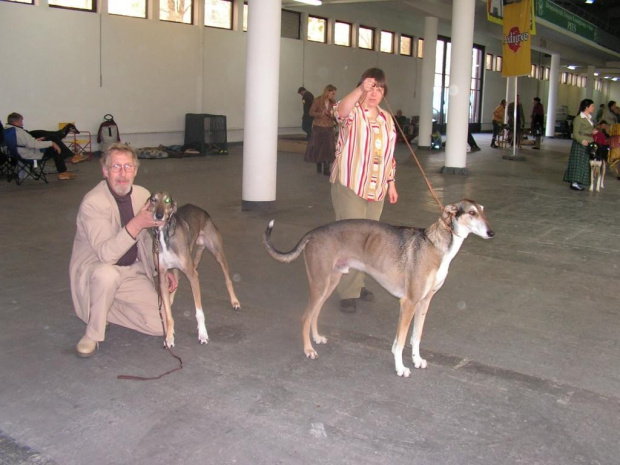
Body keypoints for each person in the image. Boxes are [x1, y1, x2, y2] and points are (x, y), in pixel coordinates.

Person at [69, 143, 177, 357]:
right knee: (107, 275)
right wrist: (137, 222)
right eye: (116, 167)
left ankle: (101, 308)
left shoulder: (143, 195)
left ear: (135, 171)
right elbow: (107, 255)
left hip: (132, 271)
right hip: (98, 270)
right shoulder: (93, 203)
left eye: (128, 167)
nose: (122, 173)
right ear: (105, 171)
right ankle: (93, 332)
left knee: (162, 326)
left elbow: (148, 240)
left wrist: (162, 268)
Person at [330, 68, 398, 313]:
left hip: (376, 188)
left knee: (369, 241)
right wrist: (360, 90)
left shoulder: (387, 119)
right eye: (371, 87)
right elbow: (338, 111)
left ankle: (357, 284)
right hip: (351, 184)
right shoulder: (353, 113)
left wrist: (391, 182)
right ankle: (347, 292)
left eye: (379, 89)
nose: (374, 93)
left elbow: (389, 155)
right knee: (350, 239)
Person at [4, 112, 77, 180]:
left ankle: (68, 162)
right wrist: (51, 143)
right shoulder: (18, 132)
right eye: (21, 121)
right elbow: (33, 145)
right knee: (55, 147)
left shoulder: (8, 130)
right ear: (15, 122)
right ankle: (66, 167)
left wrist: (37, 140)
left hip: (20, 153)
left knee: (52, 137)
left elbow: (26, 143)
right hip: (29, 154)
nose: (22, 123)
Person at [563, 99, 596, 191]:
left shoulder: (589, 118)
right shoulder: (578, 118)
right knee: (578, 162)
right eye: (592, 106)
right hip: (580, 144)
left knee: (585, 163)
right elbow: (575, 133)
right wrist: (581, 140)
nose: (593, 108)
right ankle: (574, 182)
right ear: (586, 107)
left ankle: (579, 181)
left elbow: (586, 130)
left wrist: (592, 132)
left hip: (589, 142)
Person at [304, 84, 337, 176]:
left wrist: (334, 115)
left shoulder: (333, 102)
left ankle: (326, 169)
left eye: (334, 94)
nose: (333, 95)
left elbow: (336, 114)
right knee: (318, 147)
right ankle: (319, 165)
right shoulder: (317, 100)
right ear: (327, 92)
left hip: (329, 127)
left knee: (328, 148)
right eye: (332, 93)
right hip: (318, 127)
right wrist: (320, 114)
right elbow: (311, 112)